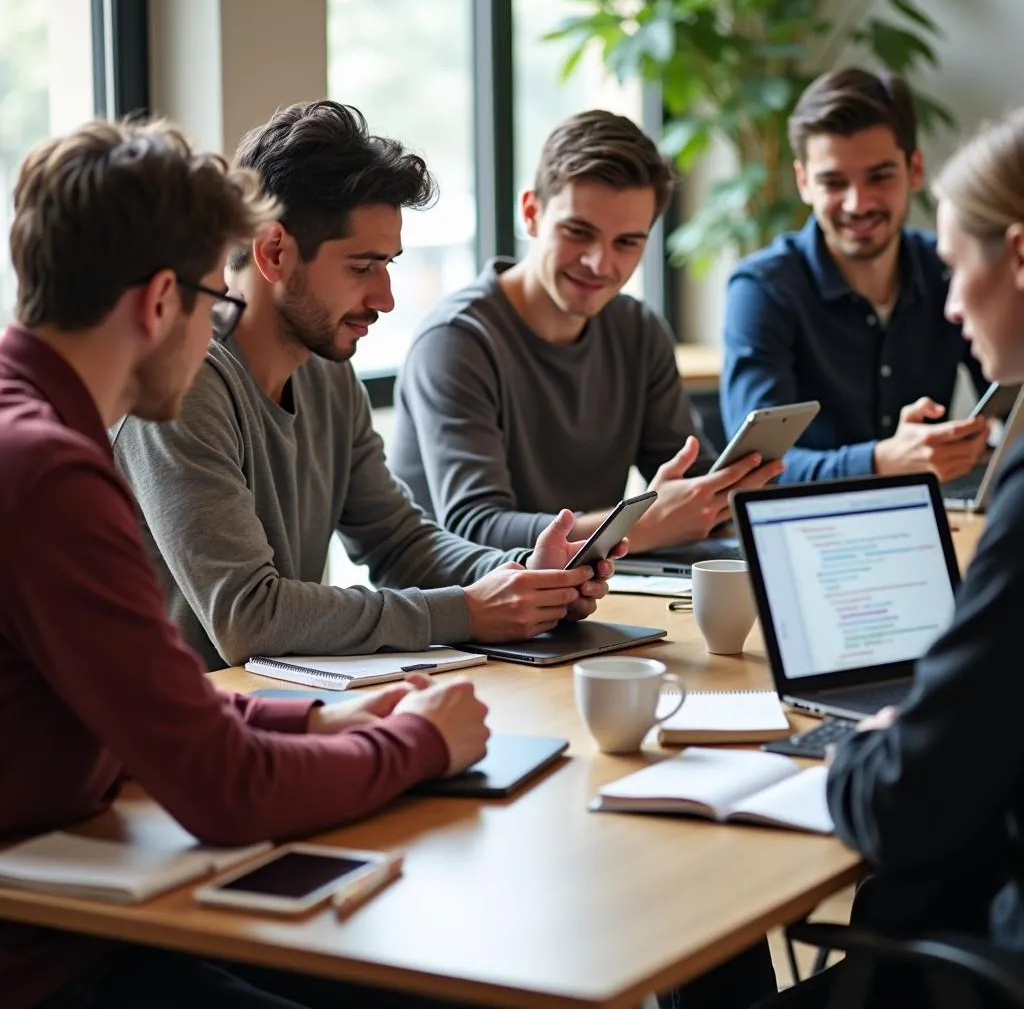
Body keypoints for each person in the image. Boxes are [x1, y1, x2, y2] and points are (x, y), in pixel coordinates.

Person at [0, 119, 492, 1008]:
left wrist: (310, 724)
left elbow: (152, 715)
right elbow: (223, 788)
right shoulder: (49, 476)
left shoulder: (35, 433)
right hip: (49, 952)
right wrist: (416, 741)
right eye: (211, 304)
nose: (218, 328)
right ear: (159, 302)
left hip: (84, 893)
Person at [113, 101, 617, 671]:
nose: (385, 298)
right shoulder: (184, 391)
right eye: (361, 267)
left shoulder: (328, 371)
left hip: (274, 713)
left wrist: (526, 577)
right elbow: (248, 616)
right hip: (171, 739)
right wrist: (468, 612)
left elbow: (399, 543)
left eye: (388, 265)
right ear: (274, 251)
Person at [759, 106, 1024, 1008]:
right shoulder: (769, 284)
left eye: (957, 271)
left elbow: (908, 800)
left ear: (1018, 257)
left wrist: (863, 751)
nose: (950, 305)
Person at [389, 109, 782, 553]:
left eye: (627, 242)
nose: (600, 264)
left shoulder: (638, 329)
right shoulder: (457, 341)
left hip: (589, 593)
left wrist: (722, 495)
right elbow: (475, 529)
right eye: (579, 232)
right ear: (532, 213)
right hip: (466, 609)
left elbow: (689, 480)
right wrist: (643, 526)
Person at [721, 68, 991, 484]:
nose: (857, 203)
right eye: (833, 182)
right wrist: (882, 461)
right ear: (803, 182)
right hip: (805, 531)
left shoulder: (947, 270)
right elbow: (752, 470)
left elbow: (1011, 399)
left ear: (914, 169)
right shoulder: (763, 290)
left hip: (936, 517)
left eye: (879, 176)